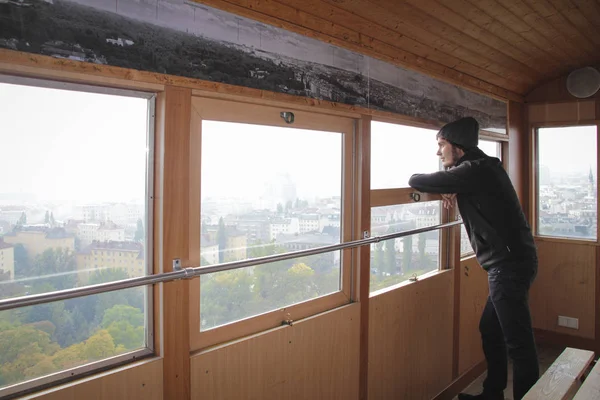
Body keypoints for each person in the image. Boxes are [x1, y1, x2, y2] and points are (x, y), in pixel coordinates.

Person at [408, 117, 539, 400]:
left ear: (458, 146)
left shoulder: (476, 170)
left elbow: (416, 180)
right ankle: (493, 393)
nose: (438, 152)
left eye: (441, 145)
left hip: (509, 267)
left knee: (519, 344)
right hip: (511, 263)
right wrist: (453, 186)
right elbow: (462, 184)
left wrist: (450, 184)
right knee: (490, 328)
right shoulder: (480, 169)